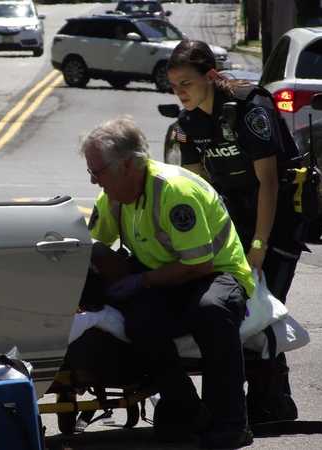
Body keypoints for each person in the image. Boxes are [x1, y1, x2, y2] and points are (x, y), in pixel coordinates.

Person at [81, 116, 255, 448]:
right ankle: (187, 410)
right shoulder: (114, 195)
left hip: (215, 272)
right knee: (141, 322)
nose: (93, 181)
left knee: (210, 311)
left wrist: (140, 281)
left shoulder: (173, 191)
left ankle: (232, 421)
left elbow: (198, 264)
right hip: (165, 276)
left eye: (97, 172)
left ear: (129, 165)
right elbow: (93, 244)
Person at [166, 39, 303, 424]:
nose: (180, 93)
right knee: (236, 309)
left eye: (186, 84)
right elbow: (198, 189)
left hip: (276, 217)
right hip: (236, 217)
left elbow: (269, 183)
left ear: (210, 76)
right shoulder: (188, 123)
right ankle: (257, 397)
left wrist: (259, 244)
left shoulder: (250, 108)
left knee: (266, 304)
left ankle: (273, 399)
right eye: (174, 85)